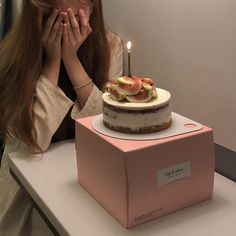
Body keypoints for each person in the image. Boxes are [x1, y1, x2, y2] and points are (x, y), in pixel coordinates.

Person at [0, 0, 123, 235]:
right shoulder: (14, 54)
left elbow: (107, 126)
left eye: (74, 19)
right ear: (35, 16)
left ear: (92, 10)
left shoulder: (110, 45)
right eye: (54, 19)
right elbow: (32, 139)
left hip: (91, 184)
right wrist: (53, 62)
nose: (65, 28)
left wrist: (71, 59)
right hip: (27, 196)